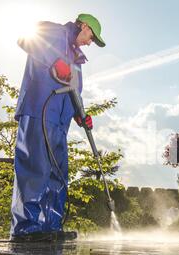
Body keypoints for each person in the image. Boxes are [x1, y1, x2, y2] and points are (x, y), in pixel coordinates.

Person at [10, 14, 105, 241]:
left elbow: (74, 93)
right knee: (35, 168)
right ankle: (26, 228)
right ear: (83, 26)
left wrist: (80, 116)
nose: (90, 42)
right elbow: (25, 39)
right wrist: (55, 59)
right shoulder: (53, 31)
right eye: (92, 36)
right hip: (38, 111)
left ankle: (50, 226)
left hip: (60, 123)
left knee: (57, 174)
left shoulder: (78, 59)